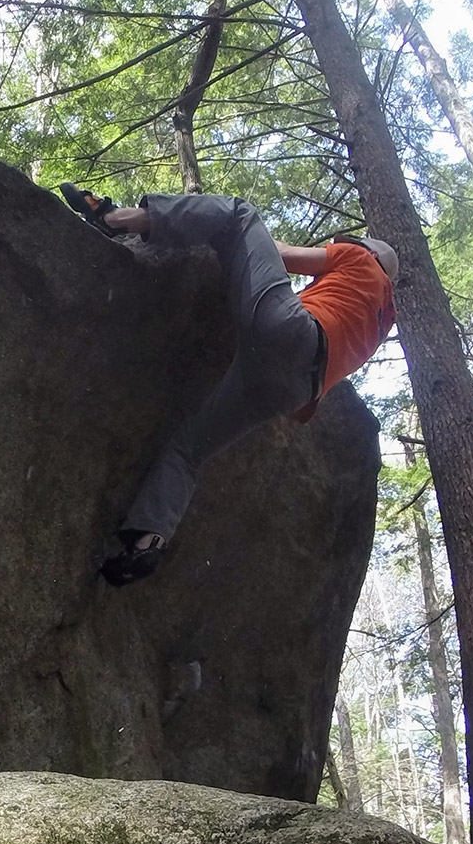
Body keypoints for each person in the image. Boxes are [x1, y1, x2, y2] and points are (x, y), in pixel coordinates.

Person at [60, 185, 397, 586]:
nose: (333, 244)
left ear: (368, 250)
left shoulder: (361, 259)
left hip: (291, 333)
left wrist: (242, 244)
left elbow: (283, 257)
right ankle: (148, 540)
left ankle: (113, 218)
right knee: (189, 449)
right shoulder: (383, 321)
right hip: (295, 391)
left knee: (239, 213)